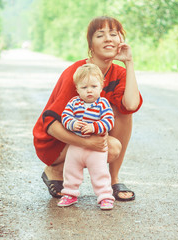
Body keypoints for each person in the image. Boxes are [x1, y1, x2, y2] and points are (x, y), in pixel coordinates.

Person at [33, 16, 143, 201]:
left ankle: (113, 180)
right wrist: (87, 143)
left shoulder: (119, 73)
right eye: (100, 35)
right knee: (112, 146)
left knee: (125, 113)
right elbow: (51, 124)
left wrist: (129, 62)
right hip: (56, 142)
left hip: (91, 135)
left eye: (113, 34)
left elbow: (131, 105)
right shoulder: (78, 73)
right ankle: (55, 169)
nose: (108, 39)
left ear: (120, 41)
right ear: (91, 45)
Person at [58, 64, 115, 210]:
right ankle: (70, 193)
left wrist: (94, 127)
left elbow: (109, 121)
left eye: (93, 86)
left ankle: (105, 196)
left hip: (96, 149)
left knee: (100, 172)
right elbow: (65, 116)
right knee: (70, 170)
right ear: (77, 89)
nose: (89, 90)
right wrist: (73, 123)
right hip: (76, 147)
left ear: (101, 87)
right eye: (84, 88)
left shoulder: (103, 103)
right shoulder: (73, 102)